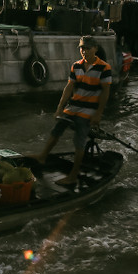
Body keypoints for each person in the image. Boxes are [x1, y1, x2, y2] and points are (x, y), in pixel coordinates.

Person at [31, 35, 112, 185]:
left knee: (79, 140)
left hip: (89, 110)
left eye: (87, 48)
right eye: (82, 48)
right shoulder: (76, 66)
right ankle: (43, 156)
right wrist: (60, 108)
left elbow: (106, 92)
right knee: (57, 129)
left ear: (95, 49)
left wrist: (98, 114)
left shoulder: (104, 68)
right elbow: (69, 88)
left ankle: (73, 175)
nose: (84, 51)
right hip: (74, 106)